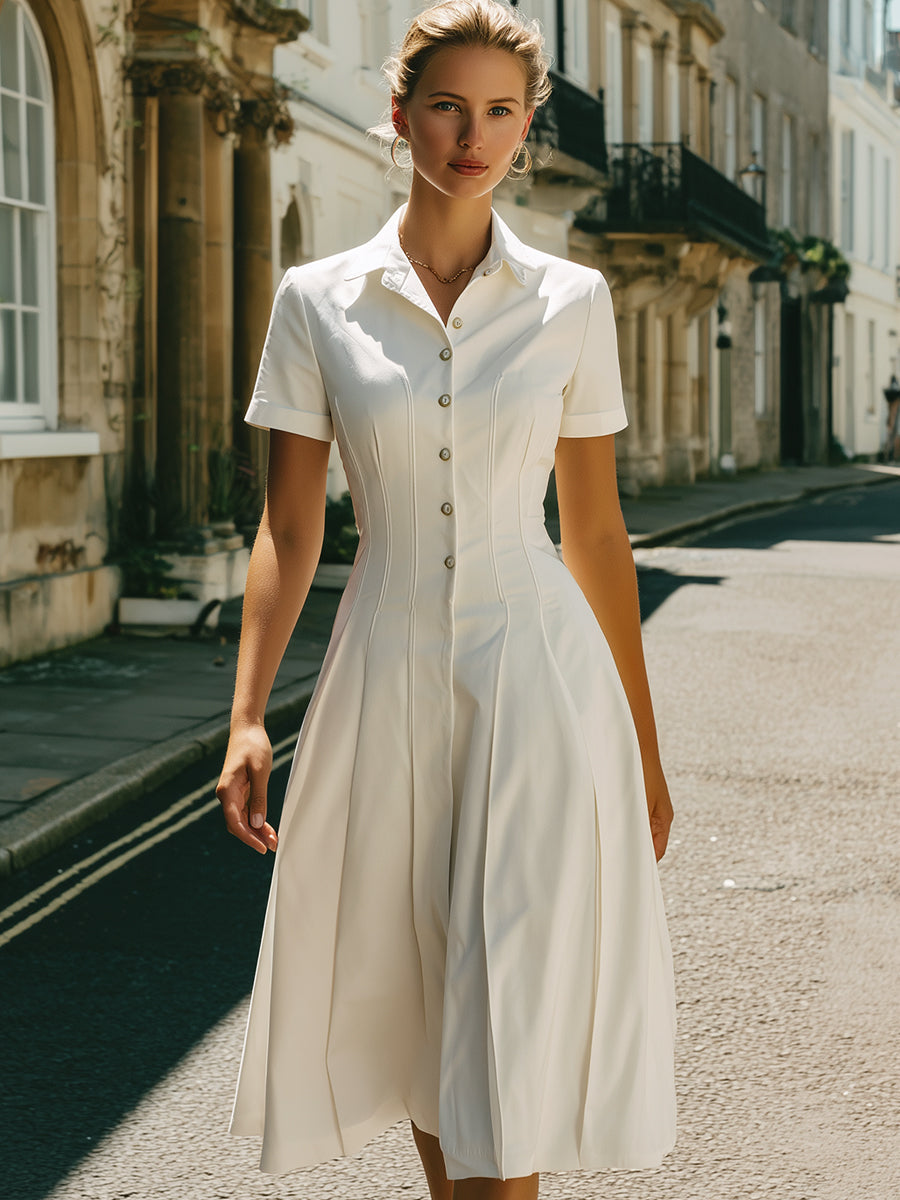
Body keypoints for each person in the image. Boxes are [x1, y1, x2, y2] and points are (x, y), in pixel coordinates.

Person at [215, 2, 676, 1197]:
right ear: (401, 111)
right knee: (423, 996)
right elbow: (290, 525)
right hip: (383, 672)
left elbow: (596, 531)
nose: (475, 136)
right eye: (448, 106)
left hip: (538, 684)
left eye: (503, 112)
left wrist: (645, 750)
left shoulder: (575, 301)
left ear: (526, 131)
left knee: (505, 996)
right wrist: (250, 713)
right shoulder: (319, 301)